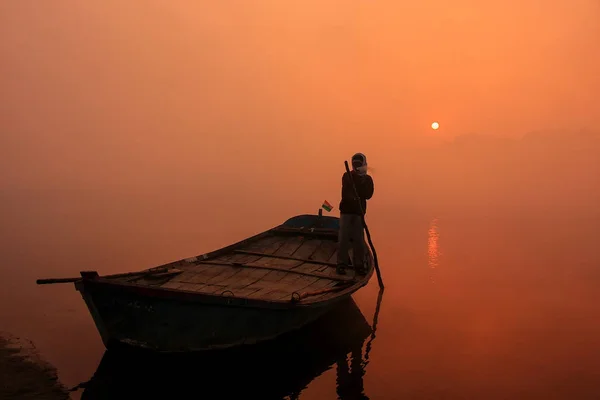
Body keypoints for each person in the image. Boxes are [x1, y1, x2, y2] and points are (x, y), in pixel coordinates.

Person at [337, 153, 374, 275]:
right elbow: (346, 194)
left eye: (359, 164)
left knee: (358, 239)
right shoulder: (347, 176)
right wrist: (354, 197)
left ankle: (359, 265)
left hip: (359, 213)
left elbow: (368, 195)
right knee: (343, 238)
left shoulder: (367, 179)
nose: (357, 166)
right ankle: (341, 264)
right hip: (346, 212)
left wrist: (362, 182)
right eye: (355, 164)